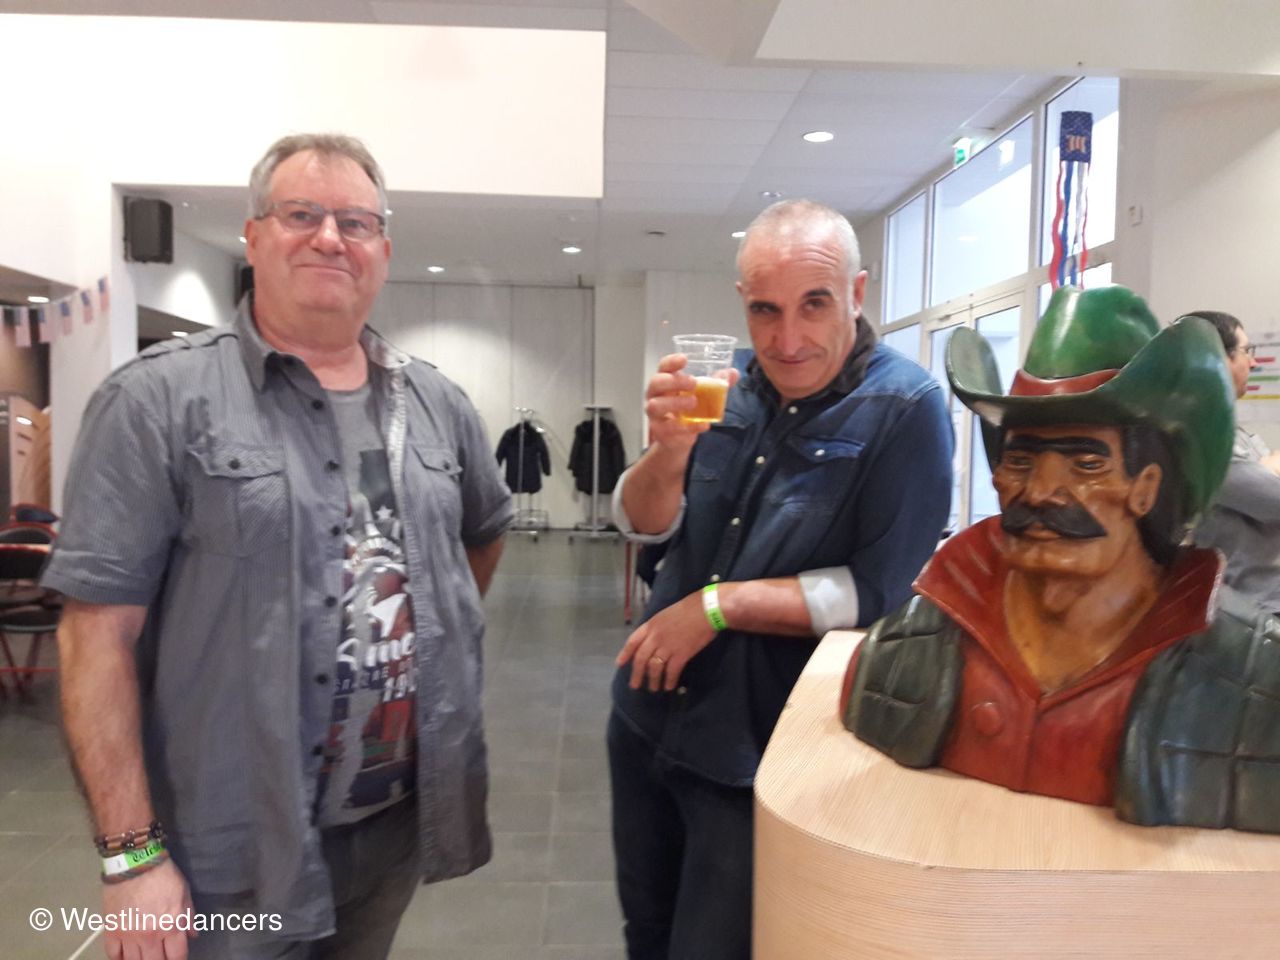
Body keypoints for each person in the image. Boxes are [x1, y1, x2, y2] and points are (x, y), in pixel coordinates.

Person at [43, 134, 513, 959]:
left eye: (356, 222)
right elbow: (94, 638)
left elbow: (478, 536)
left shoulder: (437, 404)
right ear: (255, 236)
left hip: (390, 828)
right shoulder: (157, 401)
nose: (330, 237)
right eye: (302, 214)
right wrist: (132, 857)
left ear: (383, 252)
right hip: (228, 845)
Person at [608, 199, 954, 960]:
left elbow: (873, 594)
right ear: (743, 302)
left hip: (758, 751)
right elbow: (641, 525)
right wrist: (665, 455)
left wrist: (719, 606)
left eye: (814, 304)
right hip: (646, 714)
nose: (787, 340)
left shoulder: (906, 409)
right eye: (766, 310)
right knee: (646, 935)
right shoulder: (724, 383)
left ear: (857, 293)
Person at [841, 285, 1280, 834]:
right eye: (1021, 460)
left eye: (1086, 464)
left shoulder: (1256, 679)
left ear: (1146, 488)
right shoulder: (902, 650)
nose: (1042, 491)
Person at [1190, 311, 1280, 615]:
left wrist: (1266, 469)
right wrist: (1269, 466)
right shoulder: (1201, 439)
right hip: (1249, 611)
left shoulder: (1238, 435)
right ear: (1218, 359)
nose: (1253, 362)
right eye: (1246, 351)